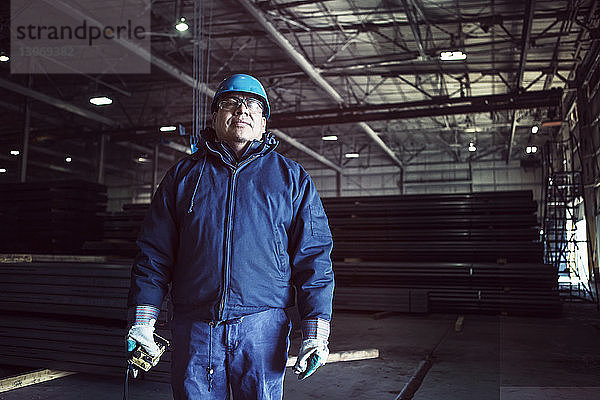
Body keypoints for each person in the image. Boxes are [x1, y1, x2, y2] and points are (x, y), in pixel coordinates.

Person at [126, 73, 335, 400]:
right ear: (215, 117)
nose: (242, 111)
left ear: (263, 122)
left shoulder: (291, 179)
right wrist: (143, 320)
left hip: (263, 326)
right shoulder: (184, 176)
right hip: (195, 326)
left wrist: (316, 333)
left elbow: (314, 259)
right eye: (230, 103)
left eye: (253, 105)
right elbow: (154, 254)